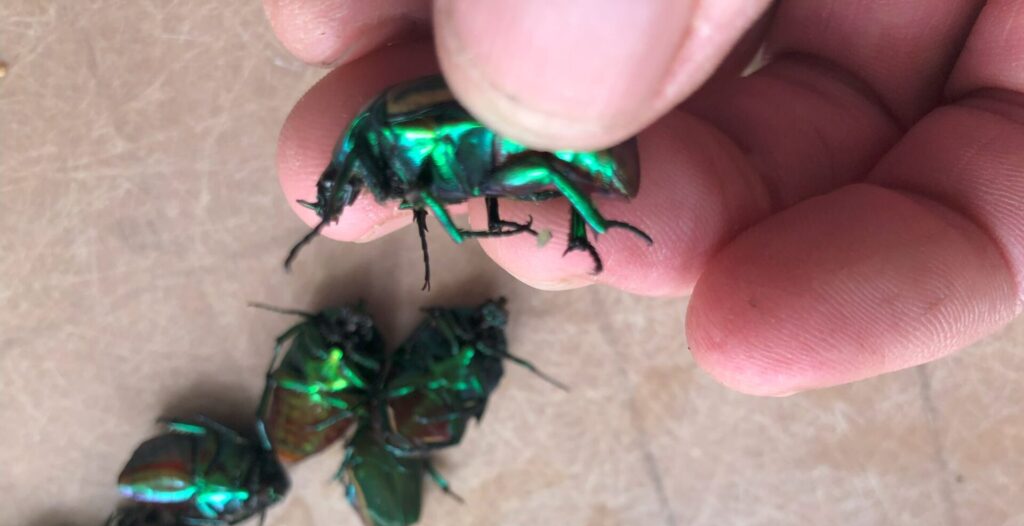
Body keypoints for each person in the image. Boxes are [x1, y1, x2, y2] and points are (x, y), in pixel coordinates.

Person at [267, 0, 1024, 396]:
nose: (356, 191)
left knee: (543, 177)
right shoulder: (386, 149)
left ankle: (588, 220)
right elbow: (449, 188)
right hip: (528, 145)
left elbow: (456, 171)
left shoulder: (394, 138)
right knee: (519, 191)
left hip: (556, 133)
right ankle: (586, 221)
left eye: (351, 183)